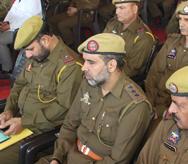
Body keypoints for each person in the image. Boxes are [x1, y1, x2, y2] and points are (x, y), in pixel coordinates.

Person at [0, 16, 83, 164]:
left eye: (29, 49)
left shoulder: (69, 67)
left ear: (45, 40)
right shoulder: (39, 54)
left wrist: (24, 122)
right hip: (18, 119)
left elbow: (63, 110)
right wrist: (9, 110)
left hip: (42, 131)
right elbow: (19, 85)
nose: (27, 55)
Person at [37, 33, 152, 164]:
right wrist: (56, 157)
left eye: (91, 62)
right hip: (67, 155)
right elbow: (69, 125)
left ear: (111, 66)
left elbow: (117, 161)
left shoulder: (134, 105)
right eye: (85, 60)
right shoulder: (89, 83)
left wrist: (74, 158)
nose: (83, 67)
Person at [102, 0, 156, 79]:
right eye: (116, 8)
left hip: (121, 78)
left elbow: (130, 70)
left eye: (121, 8)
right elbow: (102, 45)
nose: (117, 12)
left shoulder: (144, 37)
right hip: (106, 66)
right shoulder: (114, 23)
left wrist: (105, 76)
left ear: (134, 9)